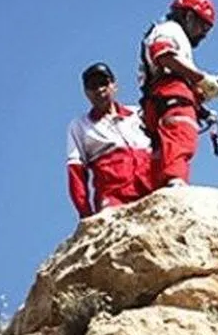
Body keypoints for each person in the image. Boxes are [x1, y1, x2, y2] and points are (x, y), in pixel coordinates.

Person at [138, 0, 218, 188]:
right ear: (189, 16)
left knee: (161, 148)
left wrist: (202, 109)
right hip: (171, 95)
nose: (204, 35)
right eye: (203, 26)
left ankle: (161, 186)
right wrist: (201, 79)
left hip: (156, 100)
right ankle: (175, 180)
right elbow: (163, 55)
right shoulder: (171, 30)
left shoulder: (168, 32)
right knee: (181, 134)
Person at [65, 62, 155, 219]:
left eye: (103, 83)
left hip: (151, 187)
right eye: (93, 86)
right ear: (86, 93)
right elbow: (76, 171)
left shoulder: (137, 114)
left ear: (114, 85)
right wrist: (86, 215)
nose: (99, 89)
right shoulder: (80, 125)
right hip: (114, 197)